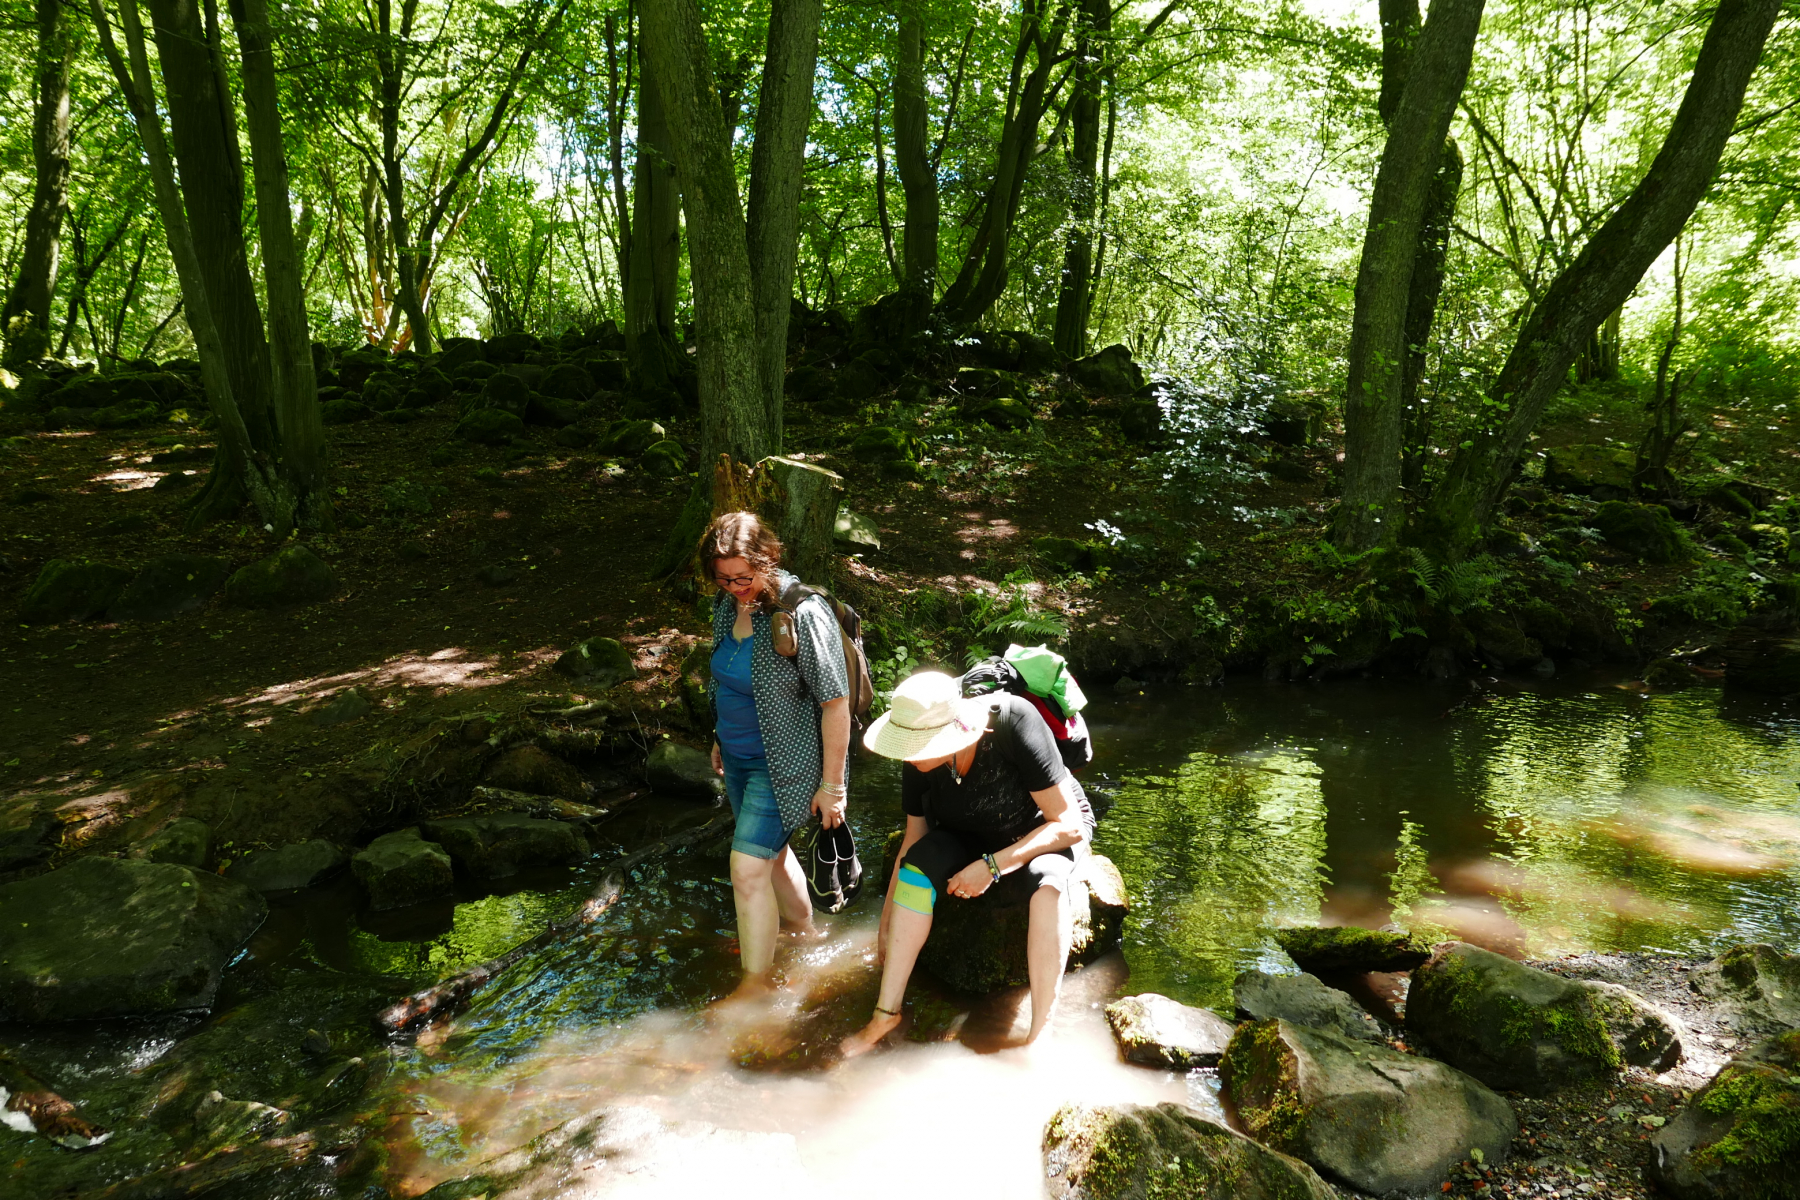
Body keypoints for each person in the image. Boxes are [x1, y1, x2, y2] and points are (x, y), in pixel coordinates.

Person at [841, 671, 1095, 1057]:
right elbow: (914, 839)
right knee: (918, 864)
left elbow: (1068, 824)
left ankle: (1039, 1033)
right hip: (971, 831)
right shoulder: (917, 760)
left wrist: (992, 867)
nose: (908, 755)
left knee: (1048, 883)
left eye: (915, 745)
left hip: (1041, 828)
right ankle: (885, 1013)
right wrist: (887, 919)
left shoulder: (1014, 722)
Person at [700, 511, 852, 993]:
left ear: (767, 559)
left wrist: (833, 787)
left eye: (744, 577)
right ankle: (806, 934)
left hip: (786, 763)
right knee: (773, 853)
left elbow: (836, 702)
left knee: (746, 869)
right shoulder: (726, 606)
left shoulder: (802, 612)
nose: (736, 588)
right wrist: (719, 735)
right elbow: (725, 676)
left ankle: (754, 990)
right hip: (738, 757)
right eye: (724, 579)